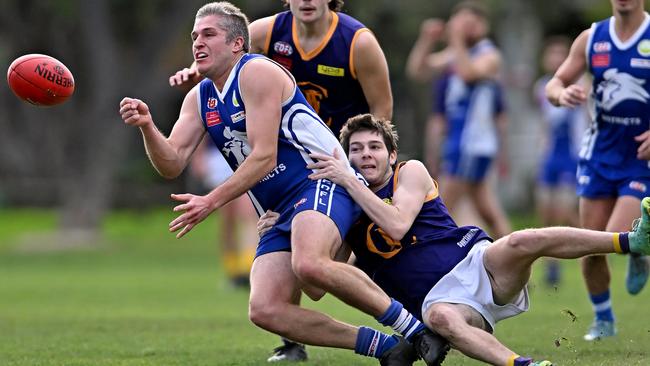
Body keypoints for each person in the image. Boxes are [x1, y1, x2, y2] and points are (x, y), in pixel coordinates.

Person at [119, 2, 440, 365]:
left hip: (319, 180)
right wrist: (147, 127)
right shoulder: (200, 96)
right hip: (278, 208)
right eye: (194, 36)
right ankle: (386, 348)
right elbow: (172, 162)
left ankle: (416, 331)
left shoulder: (257, 73)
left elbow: (264, 157)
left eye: (208, 34)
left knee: (310, 265)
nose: (197, 43)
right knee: (266, 308)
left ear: (238, 43)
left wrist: (210, 201)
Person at [258, 113, 650, 365]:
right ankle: (522, 364)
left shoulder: (409, 172)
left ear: (391, 155)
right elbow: (315, 287)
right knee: (441, 319)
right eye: (355, 150)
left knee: (520, 241)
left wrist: (346, 180)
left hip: (477, 264)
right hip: (442, 302)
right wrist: (290, 228)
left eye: (374, 147)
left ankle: (630, 241)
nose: (365, 156)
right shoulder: (343, 209)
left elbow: (396, 224)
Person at [169, 0, 393, 360]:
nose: (305, 1)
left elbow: (382, 109)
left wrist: (372, 163)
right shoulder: (267, 31)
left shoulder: (357, 42)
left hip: (334, 156)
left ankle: (410, 320)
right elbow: (221, 50)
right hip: (288, 153)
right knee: (305, 277)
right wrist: (196, 71)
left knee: (316, 262)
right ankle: (298, 342)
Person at [545, 0, 650, 340]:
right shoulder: (591, 39)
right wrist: (562, 94)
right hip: (598, 157)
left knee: (615, 234)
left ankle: (637, 248)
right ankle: (603, 319)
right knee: (590, 247)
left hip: (639, 159)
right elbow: (554, 84)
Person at [405, 1, 512, 239]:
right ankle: (518, 261)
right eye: (461, 22)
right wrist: (427, 40)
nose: (465, 29)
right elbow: (418, 71)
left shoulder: (489, 54)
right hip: (461, 141)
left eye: (471, 23)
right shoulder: (458, 53)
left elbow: (469, 73)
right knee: (488, 211)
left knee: (439, 205)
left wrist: (455, 38)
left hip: (471, 144)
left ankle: (427, 257)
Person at [533, 36, 587, 286]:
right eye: (551, 53)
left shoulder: (582, 84)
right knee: (545, 211)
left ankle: (591, 250)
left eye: (560, 54)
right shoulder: (542, 87)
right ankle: (551, 266)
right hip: (550, 156)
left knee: (566, 211)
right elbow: (545, 123)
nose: (555, 59)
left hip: (572, 156)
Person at [189, 138, 257, 288]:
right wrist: (198, 155)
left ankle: (249, 268)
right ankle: (233, 271)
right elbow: (202, 119)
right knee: (227, 217)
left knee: (247, 212)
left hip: (247, 152)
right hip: (219, 154)